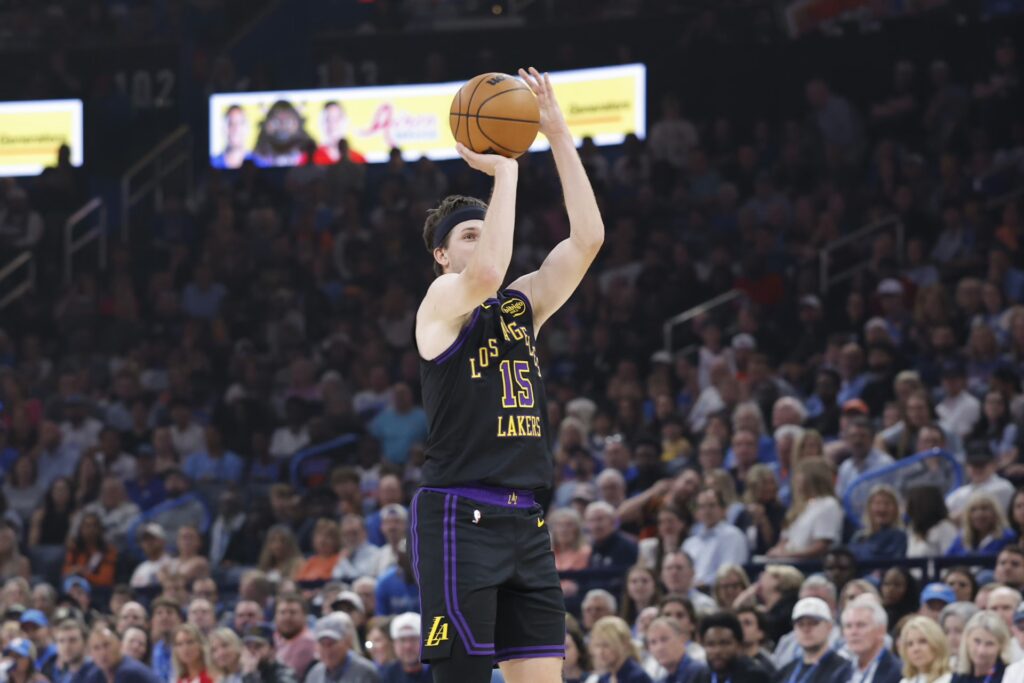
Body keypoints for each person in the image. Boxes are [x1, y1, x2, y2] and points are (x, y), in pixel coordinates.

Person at [411, 66, 603, 683]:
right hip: (459, 515)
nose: (481, 240)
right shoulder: (441, 303)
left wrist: (557, 133)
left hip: (527, 519)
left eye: (483, 231)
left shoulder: (523, 306)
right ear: (442, 254)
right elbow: (487, 273)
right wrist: (507, 171)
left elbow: (588, 239)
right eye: (468, 235)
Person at [768, 458, 843, 559]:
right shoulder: (799, 506)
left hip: (809, 564)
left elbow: (821, 547)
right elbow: (784, 540)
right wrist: (776, 552)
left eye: (799, 476)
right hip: (787, 560)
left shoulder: (828, 504)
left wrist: (787, 555)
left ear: (811, 478)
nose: (795, 481)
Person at [773, 597, 851, 683]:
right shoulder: (785, 671)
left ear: (829, 627)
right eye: (800, 624)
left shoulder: (843, 670)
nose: (806, 629)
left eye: (813, 623)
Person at [681, 488, 748, 588]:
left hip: (719, 590)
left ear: (723, 510)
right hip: (690, 591)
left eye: (712, 505)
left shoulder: (733, 535)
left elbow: (730, 572)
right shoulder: (690, 542)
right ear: (696, 513)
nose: (707, 511)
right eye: (702, 507)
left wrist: (703, 583)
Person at [693, 612, 770, 683]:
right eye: (711, 644)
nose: (717, 651)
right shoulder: (700, 677)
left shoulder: (755, 677)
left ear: (739, 645)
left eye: (724, 643)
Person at [841, 595, 902, 683]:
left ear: (881, 630)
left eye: (861, 625)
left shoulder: (899, 672)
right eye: (848, 626)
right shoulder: (840, 674)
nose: (853, 632)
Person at [302, 613, 379, 683]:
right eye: (322, 644)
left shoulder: (365, 672)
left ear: (347, 642)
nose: (327, 649)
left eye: (332, 643)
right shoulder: (314, 674)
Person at [83, 624, 162, 683]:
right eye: (96, 648)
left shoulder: (129, 672)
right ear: (90, 654)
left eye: (106, 645)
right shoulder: (95, 675)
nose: (102, 653)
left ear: (119, 645)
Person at [849, 485, 908, 561]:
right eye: (877, 503)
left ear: (895, 509)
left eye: (887, 503)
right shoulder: (859, 538)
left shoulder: (900, 537)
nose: (882, 508)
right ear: (869, 508)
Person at [946, 494, 1017, 556]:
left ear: (995, 513)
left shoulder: (1007, 537)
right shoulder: (961, 538)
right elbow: (947, 560)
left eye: (984, 508)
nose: (979, 514)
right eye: (973, 510)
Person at [950, 611, 1011, 683]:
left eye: (989, 644)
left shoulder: (1009, 675)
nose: (981, 651)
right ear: (967, 639)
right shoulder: (959, 674)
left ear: (1001, 645)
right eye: (977, 641)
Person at [589, 616, 651, 683]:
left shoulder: (637, 677)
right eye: (597, 645)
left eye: (606, 645)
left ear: (624, 644)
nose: (600, 652)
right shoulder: (604, 678)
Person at [646, 616, 707, 683]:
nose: (659, 648)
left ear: (682, 639)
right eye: (653, 642)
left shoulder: (701, 672)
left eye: (664, 639)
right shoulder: (661, 681)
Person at [897, 615, 952, 683]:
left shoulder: (951, 679)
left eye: (922, 641)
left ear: (937, 643)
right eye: (910, 644)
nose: (916, 649)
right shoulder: (905, 681)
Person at [382, 613, 430, 683]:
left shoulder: (437, 672)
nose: (408, 646)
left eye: (413, 639)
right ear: (393, 644)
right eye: (402, 640)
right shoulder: (387, 674)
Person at [212, 106, 256, 170]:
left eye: (240, 123)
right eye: (230, 123)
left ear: (247, 128)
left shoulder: (259, 163)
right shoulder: (213, 163)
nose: (235, 129)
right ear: (223, 129)